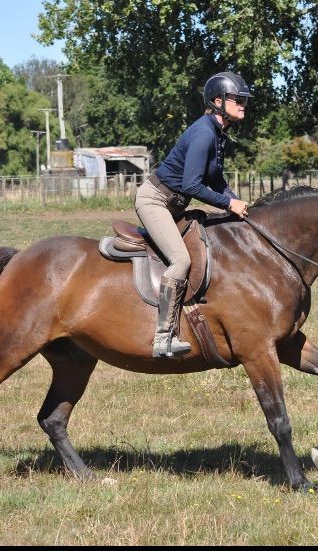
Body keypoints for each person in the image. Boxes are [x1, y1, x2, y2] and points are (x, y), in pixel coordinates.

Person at [135, 71, 251, 358]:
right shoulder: (203, 133)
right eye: (237, 99)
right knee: (181, 260)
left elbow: (216, 179)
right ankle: (163, 338)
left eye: (244, 100)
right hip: (155, 202)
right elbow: (191, 185)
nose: (243, 105)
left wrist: (238, 203)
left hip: (174, 204)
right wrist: (227, 205)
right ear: (218, 101)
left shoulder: (217, 133)